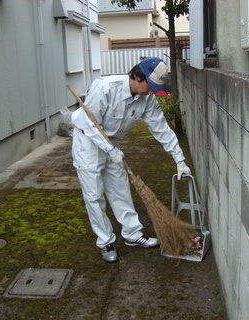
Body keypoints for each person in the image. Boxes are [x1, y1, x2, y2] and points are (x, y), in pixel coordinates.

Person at [71, 57, 191, 263]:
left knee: (120, 188)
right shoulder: (106, 88)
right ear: (136, 76)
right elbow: (88, 123)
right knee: (94, 194)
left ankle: (132, 234)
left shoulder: (147, 98)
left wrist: (179, 159)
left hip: (112, 143)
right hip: (88, 143)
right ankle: (105, 240)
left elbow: (160, 128)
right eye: (150, 86)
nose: (152, 91)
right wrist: (109, 150)